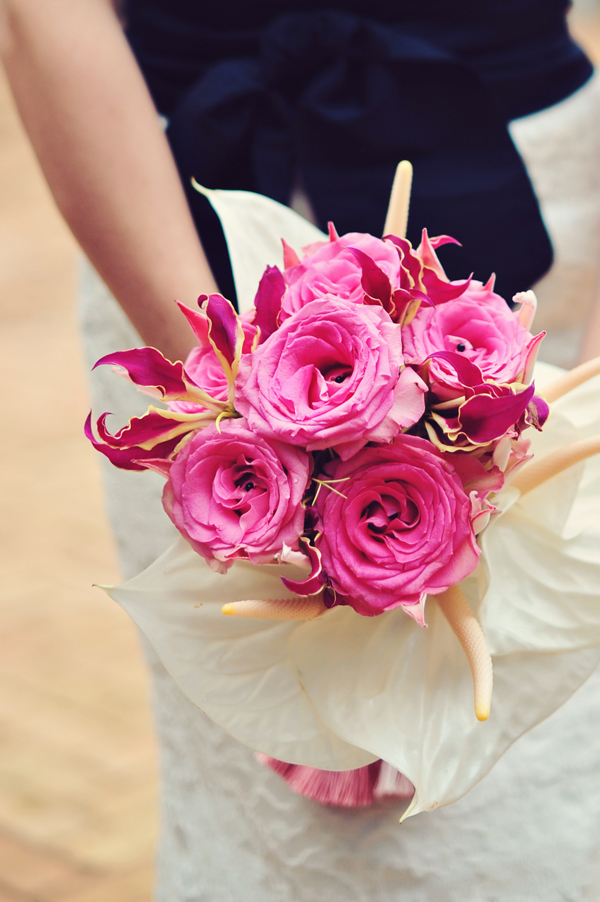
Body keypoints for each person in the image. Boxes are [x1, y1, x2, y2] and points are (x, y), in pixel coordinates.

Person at [2, 2, 600, 899]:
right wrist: (234, 402)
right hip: (163, 225)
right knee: (259, 814)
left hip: (519, 202)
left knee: (534, 780)